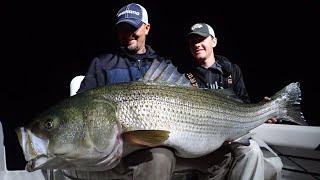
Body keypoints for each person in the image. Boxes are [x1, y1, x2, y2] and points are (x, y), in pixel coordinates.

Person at [74, 3, 176, 180]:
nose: (127, 34)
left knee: (221, 157)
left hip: (155, 144)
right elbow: (79, 108)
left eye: (133, 28)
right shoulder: (102, 64)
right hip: (113, 152)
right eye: (122, 29)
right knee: (159, 159)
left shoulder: (162, 66)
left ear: (147, 28)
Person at [182, 22, 283, 180]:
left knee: (260, 156)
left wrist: (263, 111)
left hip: (234, 133)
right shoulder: (183, 77)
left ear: (214, 41)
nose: (197, 44)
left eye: (201, 39)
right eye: (193, 41)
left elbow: (243, 104)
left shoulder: (231, 70)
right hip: (205, 138)